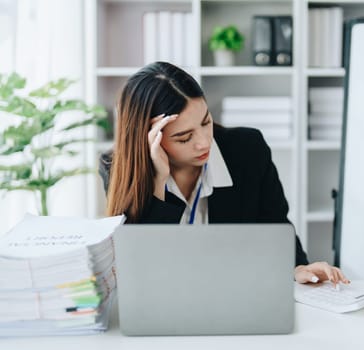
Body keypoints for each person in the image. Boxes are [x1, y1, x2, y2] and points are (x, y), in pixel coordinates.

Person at [99, 61, 349, 286]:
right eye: (184, 137)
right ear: (148, 140)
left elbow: (275, 228)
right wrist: (157, 182)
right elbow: (138, 267)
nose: (203, 142)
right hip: (167, 302)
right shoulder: (119, 167)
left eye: (205, 122)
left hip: (238, 295)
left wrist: (297, 268)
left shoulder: (247, 149)